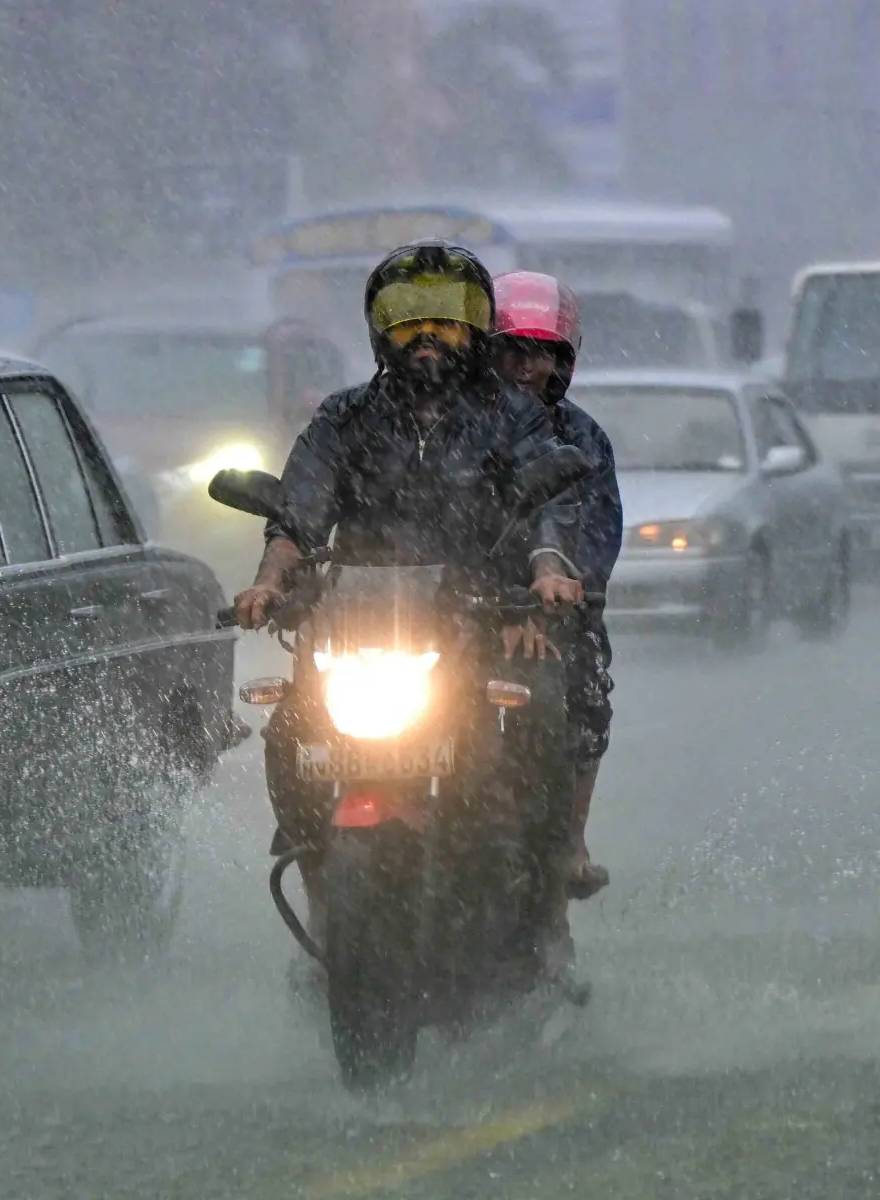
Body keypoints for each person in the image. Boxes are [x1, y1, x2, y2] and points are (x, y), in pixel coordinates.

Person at [235, 242, 583, 958]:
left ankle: (544, 904)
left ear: (477, 331)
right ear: (378, 330)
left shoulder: (512, 417)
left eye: (448, 322)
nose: (428, 338)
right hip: (357, 629)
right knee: (285, 733)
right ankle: (318, 879)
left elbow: (546, 511)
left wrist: (547, 574)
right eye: (408, 322)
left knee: (545, 711)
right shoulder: (343, 418)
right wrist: (271, 583)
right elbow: (297, 516)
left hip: (478, 623)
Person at [490, 271, 621, 899]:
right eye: (511, 348)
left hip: (547, 613)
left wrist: (555, 597)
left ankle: (570, 837)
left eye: (539, 352)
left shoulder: (583, 438)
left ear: (560, 361)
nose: (523, 365)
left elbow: (595, 535)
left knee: (587, 686)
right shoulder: (451, 429)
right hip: (448, 608)